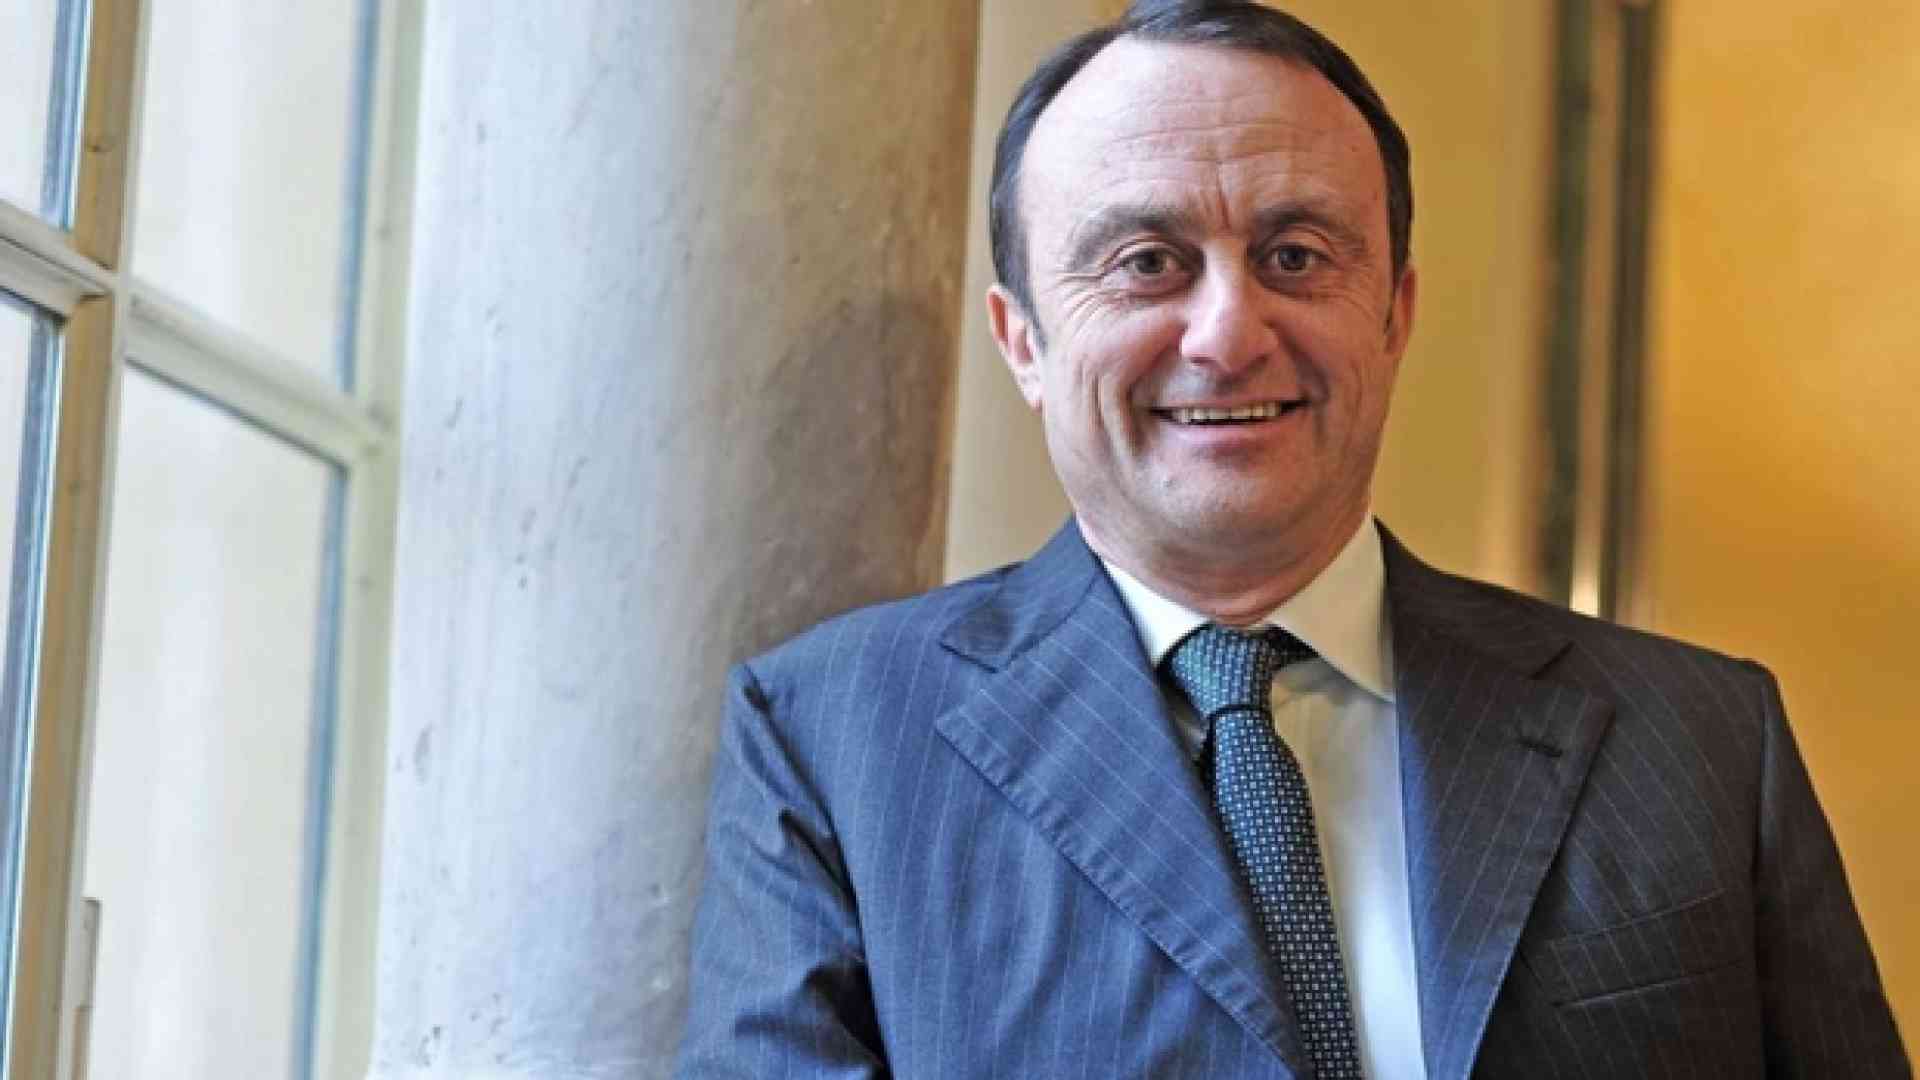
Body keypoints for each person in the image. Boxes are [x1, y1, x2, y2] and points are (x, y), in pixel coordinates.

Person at [675, 2, 1910, 1076]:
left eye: (1295, 255)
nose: (1227, 333)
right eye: (1147, 262)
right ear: (1024, 343)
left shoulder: (1703, 738)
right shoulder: (830, 741)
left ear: (1395, 314)